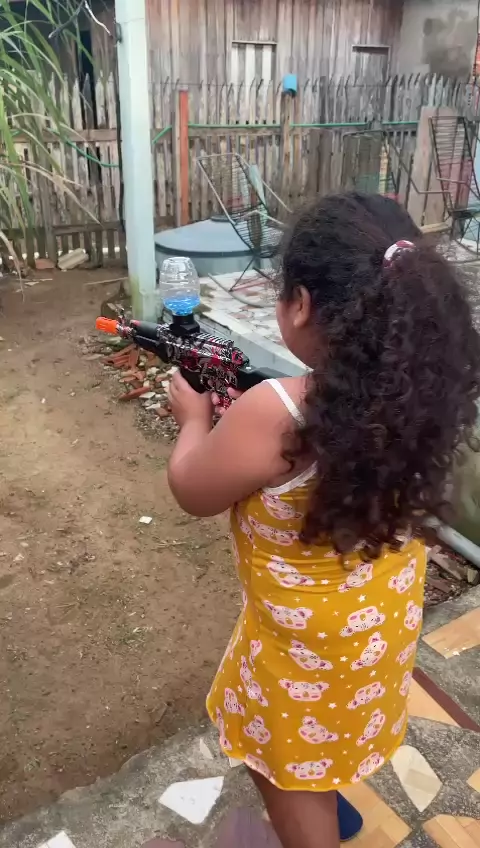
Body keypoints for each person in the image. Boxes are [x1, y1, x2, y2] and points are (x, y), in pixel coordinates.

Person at [167, 192, 480, 848]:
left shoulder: (275, 411)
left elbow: (193, 490)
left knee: (283, 765)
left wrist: (194, 421)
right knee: (327, 734)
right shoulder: (422, 394)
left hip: (298, 654)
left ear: (302, 303)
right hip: (376, 633)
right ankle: (330, 804)